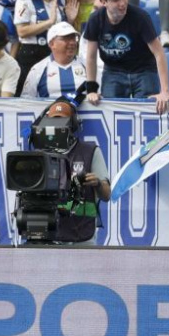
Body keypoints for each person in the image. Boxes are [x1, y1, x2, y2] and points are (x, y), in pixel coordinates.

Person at [84, 0, 169, 114]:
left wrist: (164, 91)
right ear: (103, 1)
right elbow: (90, 57)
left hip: (144, 69)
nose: (122, 3)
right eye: (116, 0)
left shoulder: (140, 17)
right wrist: (91, 89)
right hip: (113, 71)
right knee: (111, 114)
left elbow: (159, 53)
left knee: (148, 113)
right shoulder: (95, 19)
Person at [32, 99, 111, 244]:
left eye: (63, 121)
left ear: (73, 124)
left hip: (82, 235)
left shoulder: (90, 151)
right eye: (53, 121)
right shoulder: (40, 154)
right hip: (49, 234)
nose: (57, 126)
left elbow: (107, 195)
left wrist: (98, 183)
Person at [13, 0, 67, 93]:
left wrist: (70, 19)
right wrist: (49, 22)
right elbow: (22, 31)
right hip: (31, 54)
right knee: (26, 97)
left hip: (54, 54)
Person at [21, 21, 87, 98]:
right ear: (51, 44)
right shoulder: (38, 69)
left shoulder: (87, 66)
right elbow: (26, 101)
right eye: (66, 38)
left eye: (74, 38)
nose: (72, 42)